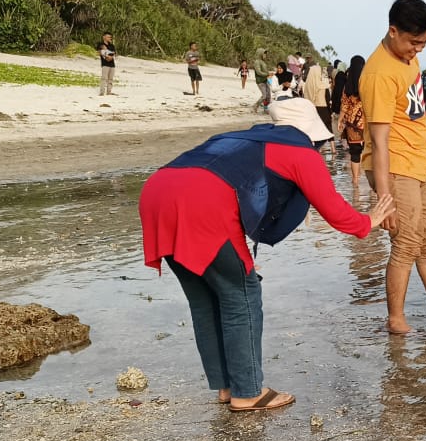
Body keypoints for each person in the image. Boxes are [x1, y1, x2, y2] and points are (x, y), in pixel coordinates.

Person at [138, 97, 394, 411]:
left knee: (206, 297)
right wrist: (369, 220)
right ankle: (247, 392)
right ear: (310, 133)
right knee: (242, 293)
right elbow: (335, 211)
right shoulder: (300, 150)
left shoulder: (244, 138)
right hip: (200, 203)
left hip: (157, 191)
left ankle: (227, 386)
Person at [360, 0, 426, 334]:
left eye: (425, 43)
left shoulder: (408, 58)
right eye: (414, 42)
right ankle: (396, 320)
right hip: (393, 166)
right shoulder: (378, 73)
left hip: (415, 164)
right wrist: (385, 202)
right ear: (393, 31)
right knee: (406, 241)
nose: (419, 49)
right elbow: (380, 140)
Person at [339, 55, 367, 187]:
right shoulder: (366, 83)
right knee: (369, 151)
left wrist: (340, 120)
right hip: (367, 122)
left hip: (351, 124)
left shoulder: (347, 85)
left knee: (354, 152)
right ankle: (370, 182)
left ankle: (355, 180)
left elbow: (344, 104)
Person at [303, 58, 332, 156]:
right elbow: (328, 99)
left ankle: (318, 149)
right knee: (328, 128)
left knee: (315, 130)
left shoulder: (307, 86)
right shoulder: (323, 85)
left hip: (312, 109)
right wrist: (330, 111)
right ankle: (333, 149)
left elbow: (305, 99)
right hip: (323, 109)